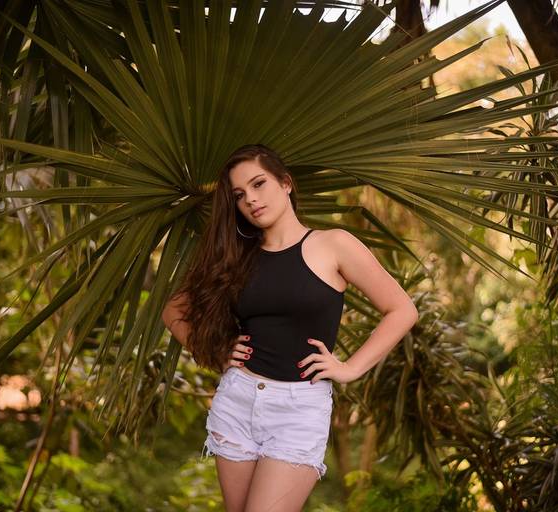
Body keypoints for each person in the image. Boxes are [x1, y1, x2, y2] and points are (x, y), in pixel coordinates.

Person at [161, 144, 418, 512]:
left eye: (259, 184)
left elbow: (402, 309)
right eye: (239, 195)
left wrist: (351, 368)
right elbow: (174, 310)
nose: (251, 199)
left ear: (285, 183)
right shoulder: (235, 254)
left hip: (298, 411)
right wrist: (215, 353)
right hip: (238, 400)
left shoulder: (334, 245)